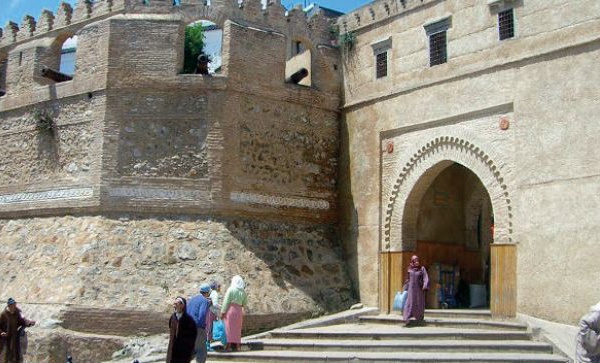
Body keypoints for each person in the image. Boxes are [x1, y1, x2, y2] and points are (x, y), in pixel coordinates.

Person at [0, 298, 35, 363]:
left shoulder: (18, 311)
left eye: (15, 305)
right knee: (5, 355)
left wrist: (29, 323)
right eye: (12, 305)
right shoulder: (3, 314)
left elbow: (23, 319)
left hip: (14, 337)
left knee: (15, 354)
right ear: (9, 306)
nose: (14, 307)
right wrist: (1, 332)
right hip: (5, 338)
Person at [220, 275, 248, 352]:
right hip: (239, 311)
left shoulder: (231, 289)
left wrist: (222, 312)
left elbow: (226, 302)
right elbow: (245, 303)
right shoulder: (243, 292)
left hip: (230, 310)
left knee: (229, 328)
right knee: (237, 328)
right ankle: (238, 346)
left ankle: (229, 346)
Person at [186, 284, 212, 363]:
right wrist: (202, 326)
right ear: (208, 292)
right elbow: (202, 314)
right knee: (201, 350)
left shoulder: (192, 299)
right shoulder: (204, 301)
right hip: (197, 327)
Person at [166, 297, 197, 363]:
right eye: (175, 302)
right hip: (172, 348)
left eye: (177, 303)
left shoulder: (189, 320)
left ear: (182, 305)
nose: (175, 304)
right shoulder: (172, 317)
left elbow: (193, 335)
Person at [403, 255, 429, 326]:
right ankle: (406, 319)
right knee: (409, 303)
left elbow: (425, 277)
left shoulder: (422, 269)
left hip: (419, 290)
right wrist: (405, 288)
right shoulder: (410, 269)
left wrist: (425, 285)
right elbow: (407, 279)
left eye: (417, 260)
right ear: (412, 261)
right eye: (415, 260)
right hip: (411, 289)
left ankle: (419, 317)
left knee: (418, 302)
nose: (417, 262)